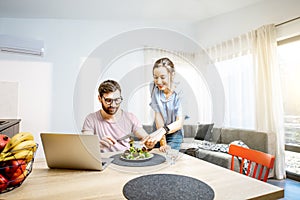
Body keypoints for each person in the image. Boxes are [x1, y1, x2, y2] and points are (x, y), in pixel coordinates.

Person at [82, 80, 156, 152]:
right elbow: (85, 146)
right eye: (108, 100)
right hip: (103, 162)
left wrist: (149, 144)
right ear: (100, 99)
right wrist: (97, 145)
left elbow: (146, 139)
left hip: (125, 160)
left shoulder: (130, 117)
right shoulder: (91, 119)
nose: (113, 105)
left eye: (117, 100)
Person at [147, 57, 184, 152]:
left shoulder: (181, 91)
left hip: (174, 133)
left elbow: (179, 122)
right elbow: (158, 115)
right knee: (154, 159)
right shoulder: (153, 87)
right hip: (158, 130)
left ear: (172, 75)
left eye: (163, 77)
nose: (158, 82)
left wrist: (163, 131)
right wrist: (162, 141)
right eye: (155, 77)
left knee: (168, 159)